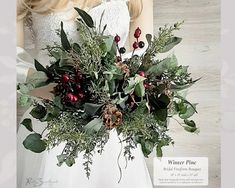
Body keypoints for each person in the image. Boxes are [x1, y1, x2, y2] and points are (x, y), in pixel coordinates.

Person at [17, 0, 154, 187]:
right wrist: (62, 91)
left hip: (113, 131)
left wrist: (119, 87)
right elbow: (9, 63)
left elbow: (143, 60)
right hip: (50, 127)